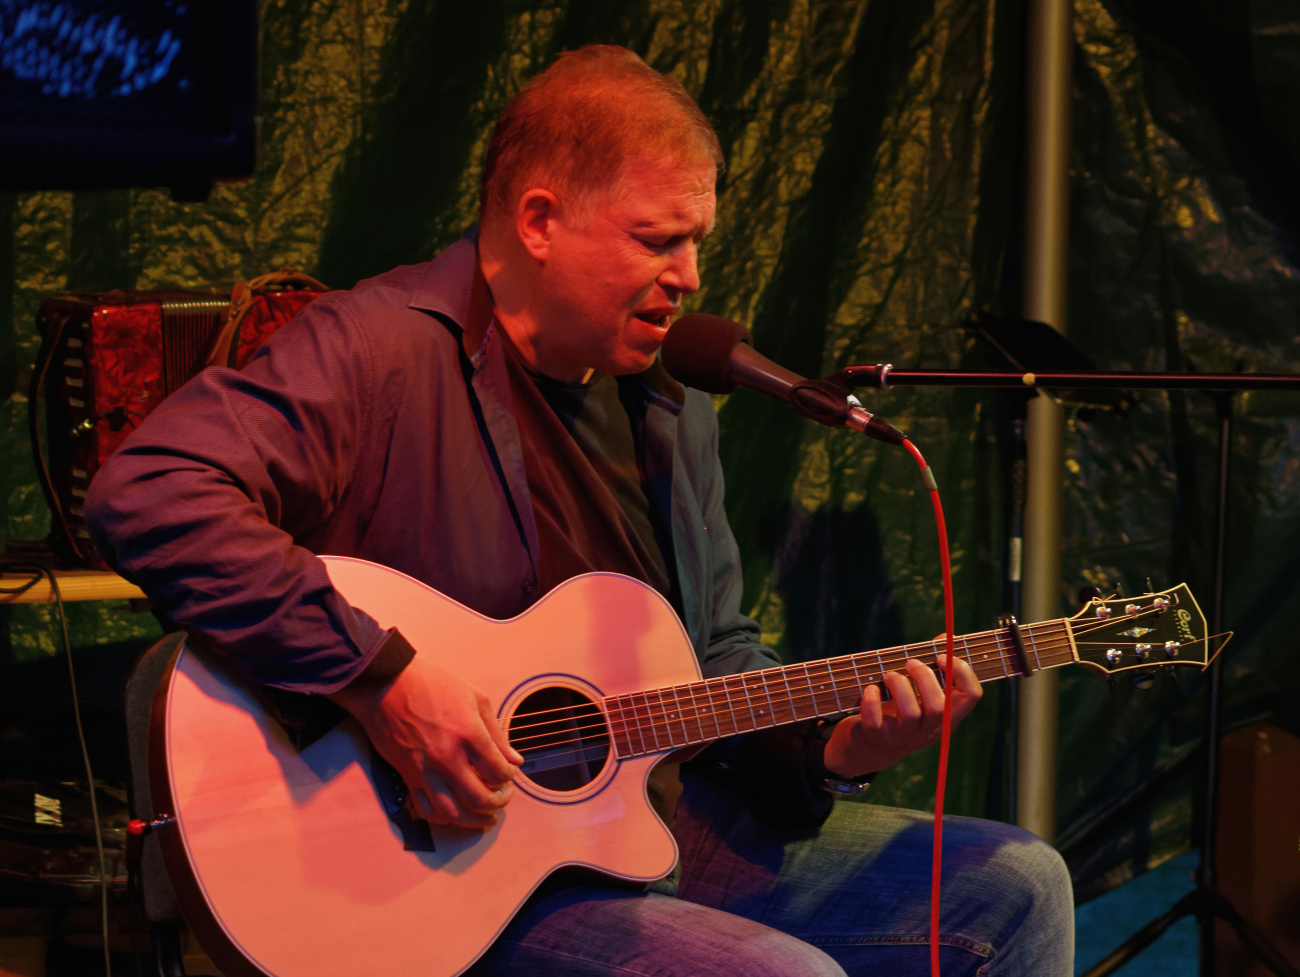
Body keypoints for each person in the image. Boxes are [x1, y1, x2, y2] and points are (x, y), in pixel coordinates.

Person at [87, 44, 1073, 977]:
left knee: (1017, 885)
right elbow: (152, 492)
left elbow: (714, 654)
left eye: (696, 242)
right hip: (437, 863)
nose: (689, 276)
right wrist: (383, 679)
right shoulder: (378, 350)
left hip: (637, 824)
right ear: (538, 221)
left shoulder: (669, 406)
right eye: (657, 239)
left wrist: (833, 751)